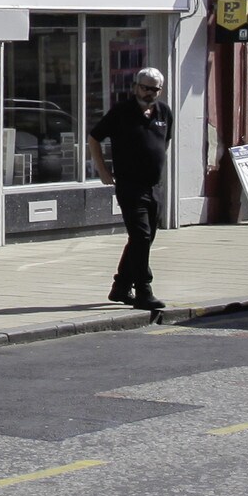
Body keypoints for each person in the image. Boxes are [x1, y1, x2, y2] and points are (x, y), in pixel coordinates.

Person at [88, 66, 173, 313]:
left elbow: (163, 142)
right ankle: (143, 290)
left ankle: (121, 286)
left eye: (154, 89)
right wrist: (103, 170)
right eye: (145, 87)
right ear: (135, 86)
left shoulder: (163, 112)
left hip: (153, 185)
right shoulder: (121, 112)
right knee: (141, 236)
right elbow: (94, 137)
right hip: (129, 185)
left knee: (143, 239)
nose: (149, 93)